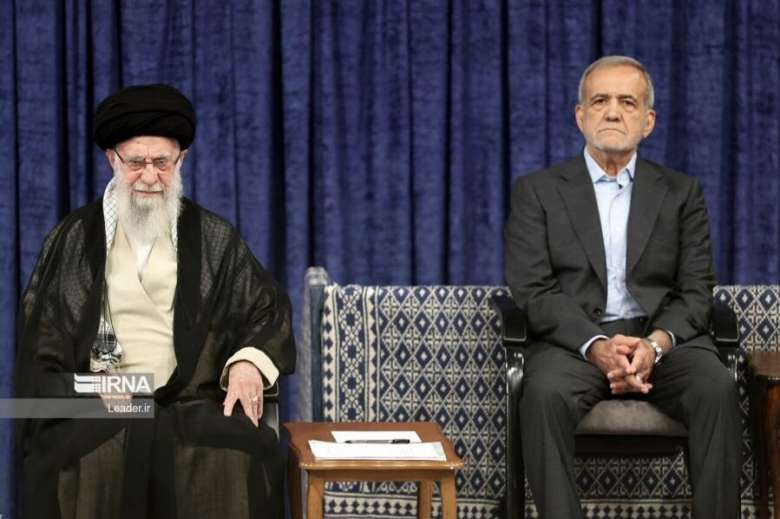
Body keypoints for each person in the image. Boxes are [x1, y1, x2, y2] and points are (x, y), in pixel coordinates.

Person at [15, 84, 295, 518]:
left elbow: (265, 309)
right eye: (136, 163)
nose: (149, 176)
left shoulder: (211, 237)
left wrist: (247, 362)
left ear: (180, 160)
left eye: (162, 163)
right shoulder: (74, 239)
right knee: (86, 456)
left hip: (191, 401)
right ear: (112, 159)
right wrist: (92, 388)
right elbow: (43, 344)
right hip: (103, 401)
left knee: (240, 452)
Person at [504, 56, 741, 518]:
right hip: (575, 342)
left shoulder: (682, 193)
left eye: (627, 102)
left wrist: (654, 345)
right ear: (580, 116)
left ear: (648, 121)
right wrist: (596, 345)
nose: (612, 112)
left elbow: (696, 289)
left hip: (662, 341)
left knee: (717, 387)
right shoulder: (537, 192)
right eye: (600, 101)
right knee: (543, 394)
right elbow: (533, 289)